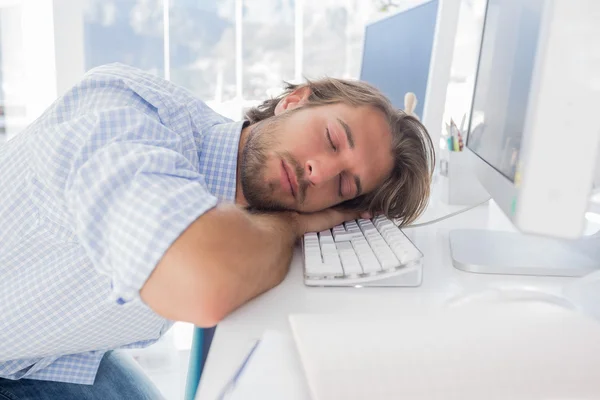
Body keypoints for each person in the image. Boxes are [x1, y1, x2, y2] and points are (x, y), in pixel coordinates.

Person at [0, 63, 434, 399]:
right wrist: (293, 223)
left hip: (42, 357)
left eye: (342, 186)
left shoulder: (237, 194)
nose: (317, 171)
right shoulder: (126, 112)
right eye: (332, 140)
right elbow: (202, 285)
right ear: (295, 101)